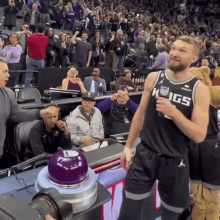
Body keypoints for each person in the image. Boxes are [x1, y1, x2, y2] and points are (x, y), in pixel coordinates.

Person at [119, 36, 210, 220]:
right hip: (145, 155)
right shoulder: (154, 78)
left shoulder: (199, 89)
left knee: (172, 216)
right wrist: (128, 146)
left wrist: (174, 113)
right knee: (127, 213)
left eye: (182, 51)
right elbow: (141, 114)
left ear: (194, 58)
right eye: (173, 48)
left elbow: (199, 135)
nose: (174, 54)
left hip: (176, 161)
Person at [0, 58, 53, 169]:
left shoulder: (8, 93)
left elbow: (16, 115)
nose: (8, 75)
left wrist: (40, 113)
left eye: (8, 71)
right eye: (5, 72)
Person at [189, 69, 220, 220]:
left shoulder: (210, 93)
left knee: (212, 197)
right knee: (198, 197)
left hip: (210, 146)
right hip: (193, 146)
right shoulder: (183, 98)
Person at [25, 23, 49, 87]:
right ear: (43, 30)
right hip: (40, 60)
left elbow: (28, 46)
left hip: (31, 58)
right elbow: (45, 46)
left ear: (36, 29)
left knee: (28, 76)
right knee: (40, 76)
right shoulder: (46, 38)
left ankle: (26, 90)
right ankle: (39, 89)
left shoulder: (31, 37)